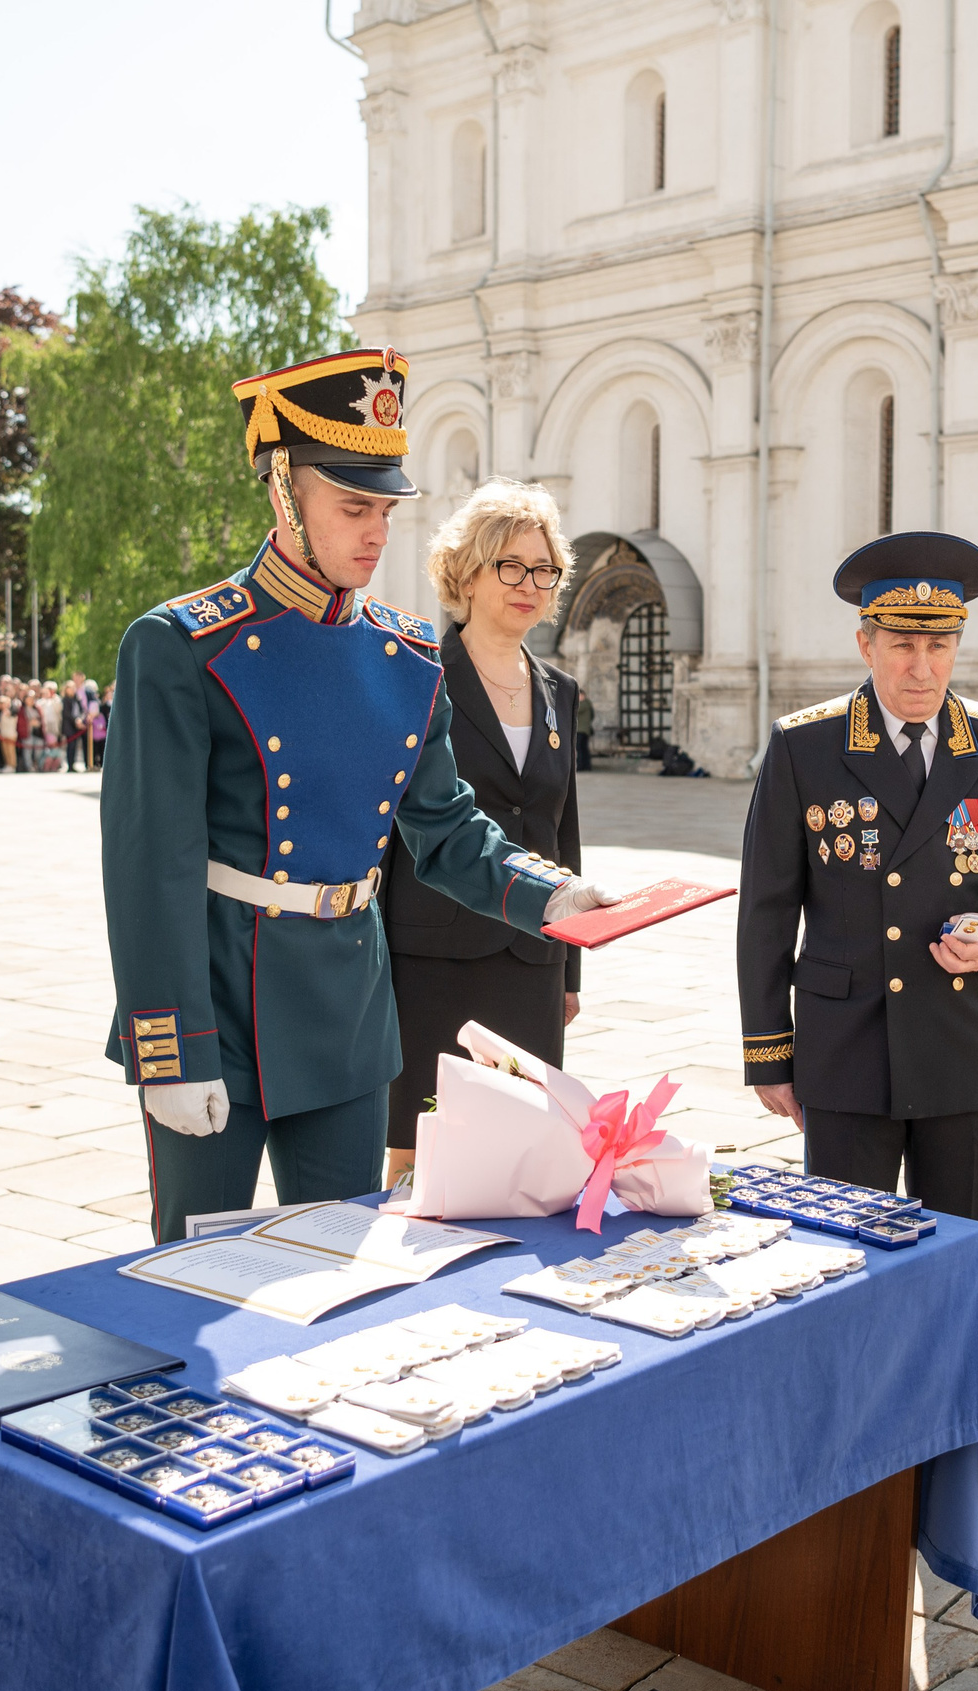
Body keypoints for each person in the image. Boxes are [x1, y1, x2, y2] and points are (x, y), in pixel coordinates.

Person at [100, 348, 617, 1243]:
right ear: (282, 490)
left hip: (348, 1015)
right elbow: (151, 868)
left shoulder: (405, 658)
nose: (377, 532)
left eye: (386, 508)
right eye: (352, 506)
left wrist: (552, 893)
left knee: (337, 1266)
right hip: (221, 1011)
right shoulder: (184, 646)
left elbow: (447, 829)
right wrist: (169, 1047)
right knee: (196, 1271)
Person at [738, 533, 978, 1220]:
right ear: (865, 645)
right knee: (847, 1249)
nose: (922, 669)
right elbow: (767, 910)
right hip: (849, 1049)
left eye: (939, 645)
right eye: (902, 645)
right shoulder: (805, 746)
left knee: (957, 1242)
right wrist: (768, 1053)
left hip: (962, 1045)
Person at [382, 479, 584, 1186]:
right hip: (434, 959)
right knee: (420, 1156)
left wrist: (571, 967)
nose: (530, 584)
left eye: (544, 569)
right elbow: (396, 833)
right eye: (511, 566)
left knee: (525, 1150)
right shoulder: (419, 676)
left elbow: (561, 829)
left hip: (533, 957)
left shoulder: (560, 691)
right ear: (467, 573)